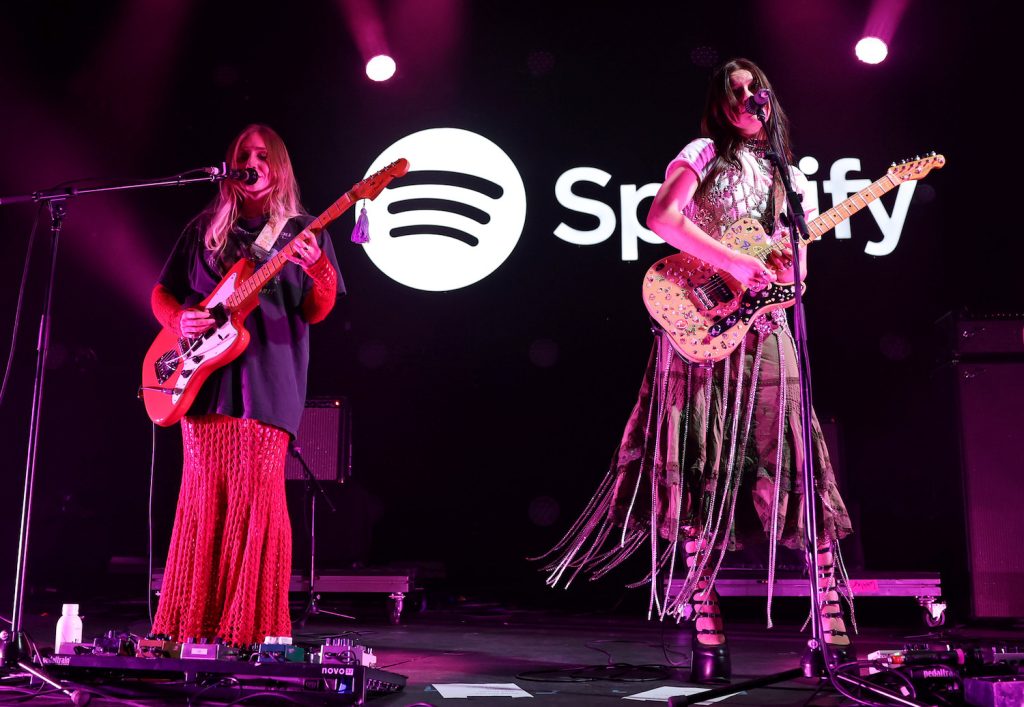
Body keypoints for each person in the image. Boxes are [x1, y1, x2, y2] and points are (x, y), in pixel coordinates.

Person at [538, 59, 854, 683]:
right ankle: (706, 626)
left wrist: (786, 274)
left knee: (799, 466)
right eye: (733, 90)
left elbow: (799, 276)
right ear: (719, 102)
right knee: (697, 475)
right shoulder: (705, 151)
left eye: (752, 89)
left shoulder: (785, 176)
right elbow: (661, 218)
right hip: (699, 335)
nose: (745, 97)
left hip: (765, 332)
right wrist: (734, 262)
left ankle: (829, 624)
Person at [150, 124, 341, 647]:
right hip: (203, 384)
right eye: (241, 154)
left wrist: (319, 268)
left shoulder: (303, 231)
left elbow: (317, 309)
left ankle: (251, 632)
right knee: (202, 499)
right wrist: (178, 320)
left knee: (258, 502)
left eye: (261, 154)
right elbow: (162, 293)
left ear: (278, 165)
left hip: (269, 378)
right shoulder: (204, 228)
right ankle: (193, 629)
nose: (251, 161)